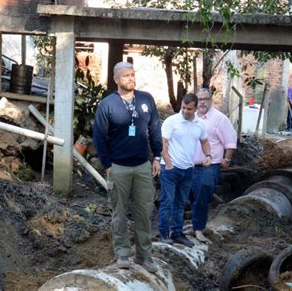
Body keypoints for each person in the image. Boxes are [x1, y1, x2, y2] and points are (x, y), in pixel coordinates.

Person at [93, 61, 161, 273]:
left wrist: (157, 157)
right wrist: (107, 165)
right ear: (116, 80)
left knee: (144, 212)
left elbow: (155, 129)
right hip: (119, 167)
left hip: (142, 166)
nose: (131, 79)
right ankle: (122, 253)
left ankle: (144, 256)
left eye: (132, 75)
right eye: (126, 76)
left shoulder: (146, 99)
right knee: (119, 213)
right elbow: (99, 136)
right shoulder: (107, 105)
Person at [159, 93, 211, 248]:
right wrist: (168, 163)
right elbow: (163, 144)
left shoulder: (199, 124)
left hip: (188, 169)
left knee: (180, 203)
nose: (185, 111)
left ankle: (177, 233)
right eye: (183, 108)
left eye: (189, 109)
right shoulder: (172, 122)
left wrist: (208, 155)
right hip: (170, 168)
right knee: (167, 202)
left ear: (195, 109)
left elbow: (205, 141)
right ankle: (163, 233)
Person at [187, 88, 237, 243]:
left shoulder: (220, 119)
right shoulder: (190, 117)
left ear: (211, 100)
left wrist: (227, 160)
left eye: (205, 99)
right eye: (199, 99)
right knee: (191, 196)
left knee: (203, 195)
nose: (202, 102)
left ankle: (199, 229)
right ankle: (195, 224)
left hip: (209, 165)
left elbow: (230, 141)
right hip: (189, 165)